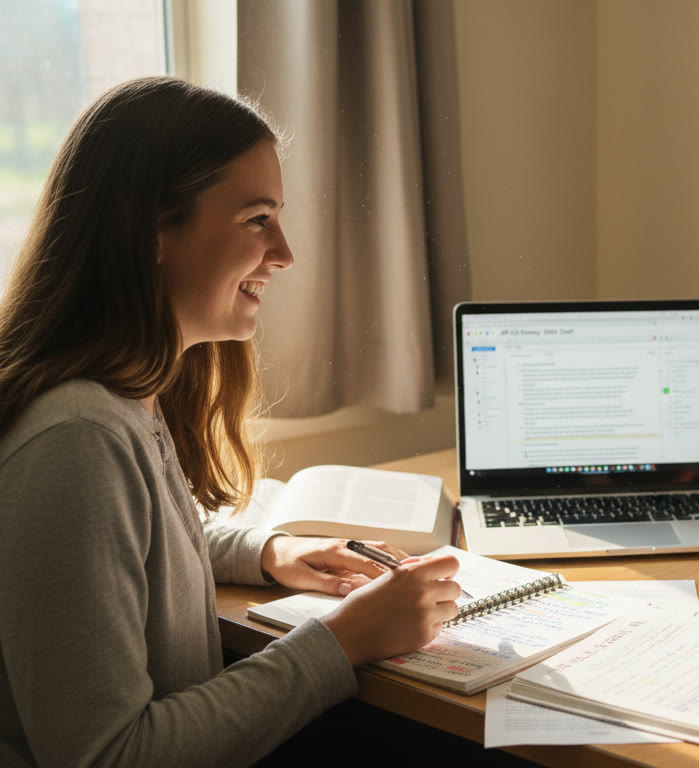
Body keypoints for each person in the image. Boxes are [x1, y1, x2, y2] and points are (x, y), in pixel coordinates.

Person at [0, 77, 463, 766]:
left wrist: (270, 552)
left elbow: (138, 546)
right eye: (257, 219)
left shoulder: (127, 395)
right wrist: (341, 640)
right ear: (151, 233)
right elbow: (107, 756)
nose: (285, 253)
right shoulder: (77, 441)